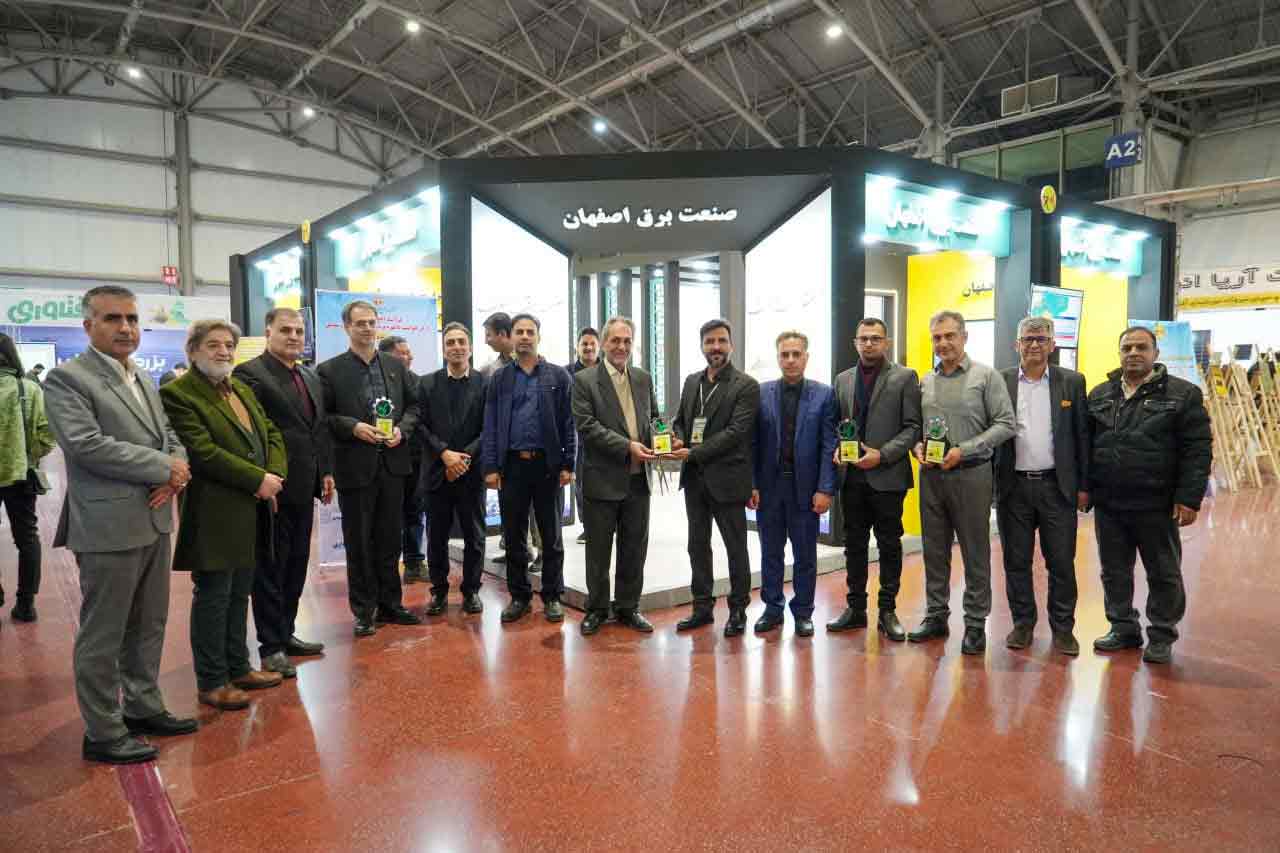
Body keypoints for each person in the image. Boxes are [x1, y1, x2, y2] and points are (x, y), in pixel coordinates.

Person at [44, 285, 197, 764]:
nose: (126, 328)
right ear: (88, 325)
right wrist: (164, 467)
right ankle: (103, 731)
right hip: (107, 524)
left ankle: (143, 707)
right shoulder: (68, 379)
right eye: (113, 319)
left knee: (149, 623)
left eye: (132, 319)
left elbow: (168, 434)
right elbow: (86, 444)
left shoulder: (141, 378)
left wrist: (177, 468)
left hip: (154, 516)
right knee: (104, 632)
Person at [162, 320, 288, 709]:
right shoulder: (178, 394)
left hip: (251, 507)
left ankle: (239, 666)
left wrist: (274, 475)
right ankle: (212, 680)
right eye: (213, 345)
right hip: (213, 510)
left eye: (229, 345)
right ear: (193, 350)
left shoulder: (241, 389)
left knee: (239, 593)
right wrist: (257, 479)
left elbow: (271, 433)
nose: (224, 352)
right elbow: (202, 452)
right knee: (214, 596)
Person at [1087, 325, 1212, 664]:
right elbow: (1087, 446)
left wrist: (1189, 497)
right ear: (1119, 353)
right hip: (1110, 504)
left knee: (1163, 572)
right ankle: (1123, 628)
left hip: (1157, 504)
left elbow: (1198, 449)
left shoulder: (1182, 394)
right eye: (1127, 347)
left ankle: (1161, 634)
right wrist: (1086, 489)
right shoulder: (1100, 395)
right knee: (1114, 571)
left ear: (1155, 353)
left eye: (1141, 347)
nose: (1133, 353)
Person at [232, 307, 334, 676]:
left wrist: (325, 471)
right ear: (268, 333)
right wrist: (264, 477)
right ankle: (271, 646)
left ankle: (287, 633)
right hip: (273, 487)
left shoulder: (308, 375)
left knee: (295, 566)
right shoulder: (249, 374)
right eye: (285, 330)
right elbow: (252, 433)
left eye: (298, 331)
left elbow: (318, 429)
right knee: (271, 568)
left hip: (306, 486)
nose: (293, 337)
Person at [908, 310, 1015, 655]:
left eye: (950, 335)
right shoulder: (925, 381)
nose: (943, 343)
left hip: (972, 474)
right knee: (934, 551)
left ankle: (975, 623)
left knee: (975, 552)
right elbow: (917, 427)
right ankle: (936, 616)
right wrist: (917, 447)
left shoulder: (986, 377)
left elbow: (1006, 424)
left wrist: (964, 450)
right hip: (932, 477)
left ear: (964, 337)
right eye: (937, 337)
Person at [317, 300, 423, 637]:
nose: (367, 328)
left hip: (392, 465)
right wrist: (353, 427)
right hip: (355, 467)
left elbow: (414, 406)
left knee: (390, 540)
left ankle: (391, 604)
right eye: (360, 323)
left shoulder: (394, 366)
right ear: (347, 327)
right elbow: (324, 417)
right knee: (359, 542)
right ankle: (364, 611)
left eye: (371, 322)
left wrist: (402, 430)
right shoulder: (329, 371)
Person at [994, 316, 1090, 657]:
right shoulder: (1000, 381)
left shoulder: (1072, 382)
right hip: (1013, 488)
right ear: (1017, 344)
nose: (1034, 344)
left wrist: (1084, 486)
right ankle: (1022, 624)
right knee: (1016, 561)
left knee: (1061, 562)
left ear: (1052, 344)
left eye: (1041, 339)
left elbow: (1082, 436)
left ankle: (1063, 629)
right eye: (1028, 339)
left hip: (1056, 487)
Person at [827, 318, 920, 641]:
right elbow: (836, 424)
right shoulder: (842, 380)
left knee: (889, 545)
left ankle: (887, 611)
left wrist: (882, 454)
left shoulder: (905, 377)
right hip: (851, 478)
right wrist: (838, 448)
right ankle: (855, 609)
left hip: (888, 476)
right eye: (864, 338)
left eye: (876, 338)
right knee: (853, 545)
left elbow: (913, 427)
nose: (869, 344)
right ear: (855, 342)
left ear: (886, 342)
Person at [482, 313, 575, 624]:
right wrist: (490, 467)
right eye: (519, 331)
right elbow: (491, 424)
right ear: (511, 336)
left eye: (529, 331)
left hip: (548, 466)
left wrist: (568, 464)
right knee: (514, 535)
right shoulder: (500, 379)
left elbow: (568, 423)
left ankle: (553, 596)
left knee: (551, 536)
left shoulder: (558, 377)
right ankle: (519, 597)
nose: (524, 336)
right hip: (512, 467)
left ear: (538, 336)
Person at [669, 318, 760, 637]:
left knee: (736, 547)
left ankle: (738, 610)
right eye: (710, 341)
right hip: (695, 481)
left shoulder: (746, 385)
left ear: (731, 345)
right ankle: (702, 607)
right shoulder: (692, 381)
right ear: (702, 346)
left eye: (721, 340)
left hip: (729, 480)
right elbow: (681, 420)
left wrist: (693, 452)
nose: (716, 347)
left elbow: (736, 432)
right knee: (697, 546)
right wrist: (678, 437)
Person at [572, 317, 658, 636]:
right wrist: (627, 447)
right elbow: (587, 427)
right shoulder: (584, 380)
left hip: (639, 481)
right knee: (598, 551)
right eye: (615, 341)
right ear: (604, 343)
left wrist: (665, 438)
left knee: (634, 548)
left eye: (627, 341)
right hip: (602, 480)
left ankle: (628, 607)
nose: (621, 346)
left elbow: (654, 418)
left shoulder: (643, 378)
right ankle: (596, 609)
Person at [750, 331, 836, 638]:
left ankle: (803, 612)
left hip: (806, 490)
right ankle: (772, 609)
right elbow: (752, 443)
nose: (790, 360)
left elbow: (829, 444)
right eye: (785, 354)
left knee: (805, 556)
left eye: (796, 354)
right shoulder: (761, 393)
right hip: (770, 489)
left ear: (806, 357)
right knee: (770, 553)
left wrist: (825, 488)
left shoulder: (824, 395)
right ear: (778, 358)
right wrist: (752, 484)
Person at [418, 322, 488, 616]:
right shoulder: (426, 384)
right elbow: (420, 425)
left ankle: (471, 591)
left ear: (470, 347)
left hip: (472, 473)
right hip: (437, 472)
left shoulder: (485, 384)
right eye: (450, 342)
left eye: (461, 341)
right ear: (444, 348)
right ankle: (439, 591)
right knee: (436, 537)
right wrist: (444, 454)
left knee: (475, 537)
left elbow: (489, 427)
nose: (456, 347)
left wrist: (464, 458)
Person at [0, 335, 55, 625]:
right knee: (27, 537)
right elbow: (47, 432)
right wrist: (29, 456)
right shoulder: (29, 388)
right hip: (20, 475)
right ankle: (25, 604)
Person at [481, 311, 540, 568]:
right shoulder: (492, 371)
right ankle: (515, 548)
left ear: (504, 335)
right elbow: (490, 417)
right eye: (520, 332)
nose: (486, 340)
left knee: (537, 511)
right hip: (508, 456)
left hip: (537, 456)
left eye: (489, 335)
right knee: (512, 511)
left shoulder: (544, 369)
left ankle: (540, 550)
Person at [379, 335, 427, 584]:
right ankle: (386, 569)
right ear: (387, 356)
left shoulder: (420, 383)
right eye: (403, 353)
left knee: (415, 511)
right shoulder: (376, 383)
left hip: (416, 458)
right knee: (389, 516)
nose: (410, 357)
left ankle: (414, 562)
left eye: (409, 352)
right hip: (385, 459)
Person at [568, 327, 600, 545]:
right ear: (577, 348)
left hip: (604, 436)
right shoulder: (566, 373)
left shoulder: (606, 371)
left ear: (599, 348)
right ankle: (588, 526)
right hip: (577, 438)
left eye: (592, 344)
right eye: (584, 344)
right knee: (581, 484)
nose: (588, 348)